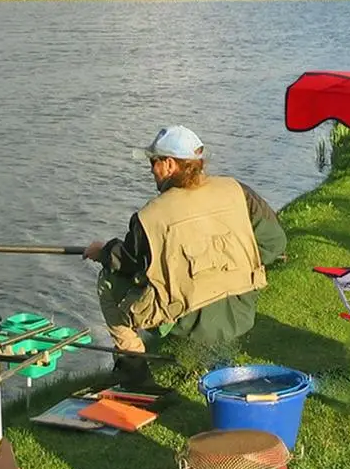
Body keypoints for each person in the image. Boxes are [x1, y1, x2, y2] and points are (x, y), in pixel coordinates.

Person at [83, 125, 287, 384]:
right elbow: (275, 243)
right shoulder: (238, 191)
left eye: (153, 162)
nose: (151, 170)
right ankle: (210, 353)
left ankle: (132, 368)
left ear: (169, 165)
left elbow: (128, 264)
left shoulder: (150, 216)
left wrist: (103, 252)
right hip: (241, 308)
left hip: (189, 317)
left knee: (107, 281)